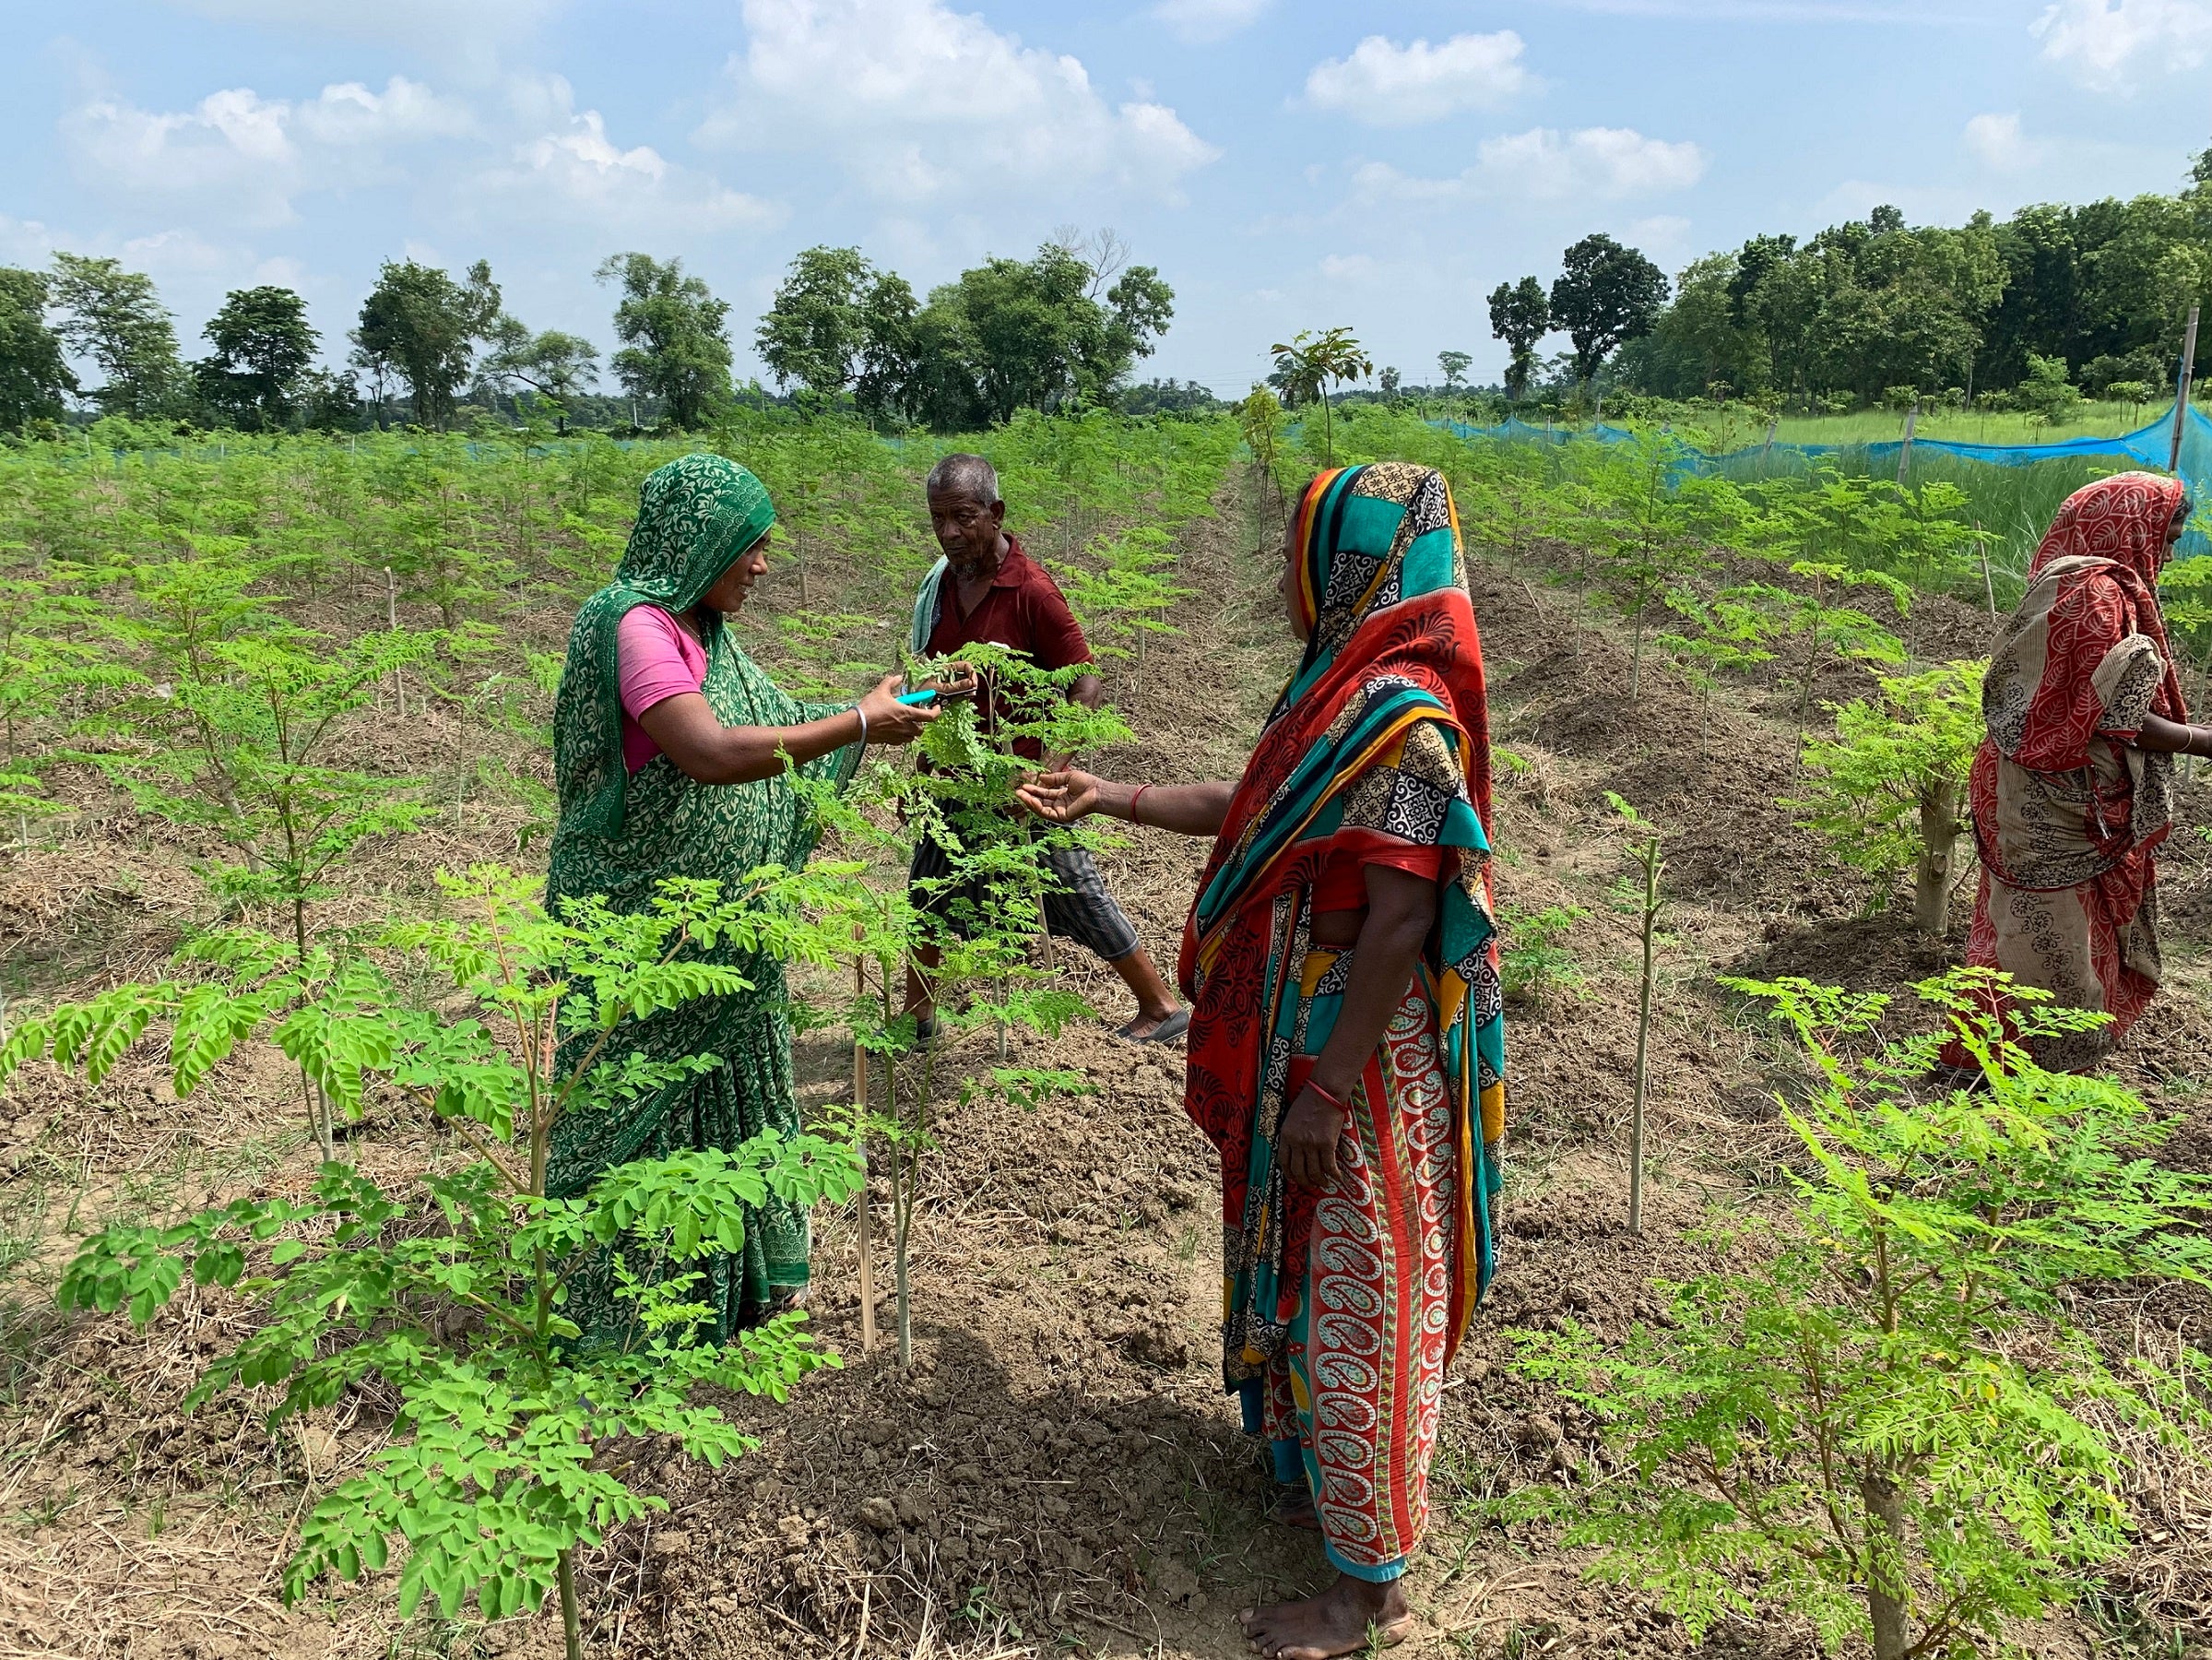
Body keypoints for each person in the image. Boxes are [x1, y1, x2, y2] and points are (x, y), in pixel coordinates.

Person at [1020, 461, 1506, 1660]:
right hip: (1310, 1040)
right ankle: (1315, 1482)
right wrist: (1111, 797)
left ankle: (1370, 1591)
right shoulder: (1341, 691)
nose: (1281, 575)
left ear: (1351, 564)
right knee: (1303, 1261)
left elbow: (1397, 919)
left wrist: (1326, 1089)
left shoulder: (1402, 716)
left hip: (1361, 1062)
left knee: (1361, 1286)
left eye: (1302, 549)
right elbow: (1256, 814)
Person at [546, 453, 937, 1341]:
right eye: (749, 548)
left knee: (717, 1095)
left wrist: (867, 707)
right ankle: (624, 1318)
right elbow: (711, 752)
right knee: (632, 1107)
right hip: (645, 929)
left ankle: (725, 1293)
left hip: (724, 932)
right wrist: (864, 721)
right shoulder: (635, 627)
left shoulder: (702, 631)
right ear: (703, 543)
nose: (761, 566)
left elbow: (772, 725)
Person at [904, 452, 1187, 1043]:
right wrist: (931, 721)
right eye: (938, 520)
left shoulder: (1031, 591)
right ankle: (918, 1015)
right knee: (926, 890)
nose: (950, 532)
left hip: (1020, 783)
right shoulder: (939, 589)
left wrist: (1050, 764)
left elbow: (1085, 680)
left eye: (963, 517)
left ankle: (1159, 1004)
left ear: (996, 513)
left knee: (1072, 887)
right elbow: (924, 677)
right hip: (956, 773)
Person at [1947, 470, 2209, 1075]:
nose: (2167, 552)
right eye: (2164, 536)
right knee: (2050, 941)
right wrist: (2200, 740)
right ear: (2125, 526)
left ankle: (1995, 1058)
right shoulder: (2092, 597)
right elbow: (2117, 716)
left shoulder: (2081, 583)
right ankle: (2032, 1073)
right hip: (2047, 801)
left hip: (2045, 790)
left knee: (2027, 928)